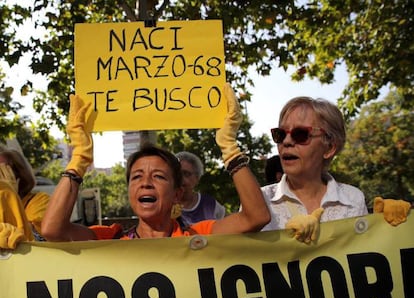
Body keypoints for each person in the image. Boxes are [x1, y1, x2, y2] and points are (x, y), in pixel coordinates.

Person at [41, 83, 270, 241]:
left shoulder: (199, 236)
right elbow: (52, 230)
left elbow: (256, 217)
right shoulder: (111, 238)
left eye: (159, 176)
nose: (146, 183)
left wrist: (230, 148)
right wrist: (80, 157)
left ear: (178, 194)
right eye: (137, 176)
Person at [258, 96, 368, 243]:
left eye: (300, 134)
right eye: (280, 134)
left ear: (329, 147)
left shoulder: (354, 199)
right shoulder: (259, 201)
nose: (286, 141)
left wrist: (391, 229)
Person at [0, 146, 50, 248]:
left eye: (2, 172)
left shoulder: (39, 200)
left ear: (19, 176)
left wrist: (10, 199)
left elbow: (35, 238)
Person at [175, 151, 226, 226]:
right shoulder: (164, 204)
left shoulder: (210, 205)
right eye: (177, 174)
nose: (181, 178)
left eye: (186, 174)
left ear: (197, 178)